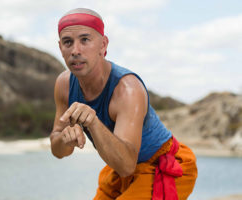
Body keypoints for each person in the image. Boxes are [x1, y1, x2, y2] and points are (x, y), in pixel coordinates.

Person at [50, 8, 197, 200]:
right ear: (61, 48)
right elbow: (58, 150)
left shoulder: (128, 89)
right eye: (68, 42)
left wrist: (93, 122)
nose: (75, 50)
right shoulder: (64, 85)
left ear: (103, 44)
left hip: (165, 164)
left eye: (85, 40)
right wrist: (64, 140)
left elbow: (126, 165)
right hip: (120, 169)